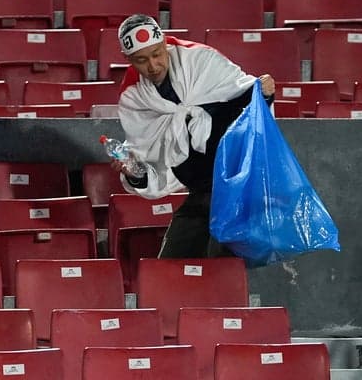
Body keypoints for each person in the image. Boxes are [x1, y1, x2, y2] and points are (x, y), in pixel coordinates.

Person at [112, 14, 276, 258]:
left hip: (238, 189)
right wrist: (135, 173)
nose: (153, 66)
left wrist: (264, 93)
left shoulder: (201, 60)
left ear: (165, 42)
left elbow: (245, 98)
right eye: (141, 60)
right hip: (200, 193)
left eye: (157, 54)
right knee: (170, 273)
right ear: (128, 60)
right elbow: (151, 164)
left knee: (225, 273)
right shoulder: (134, 100)